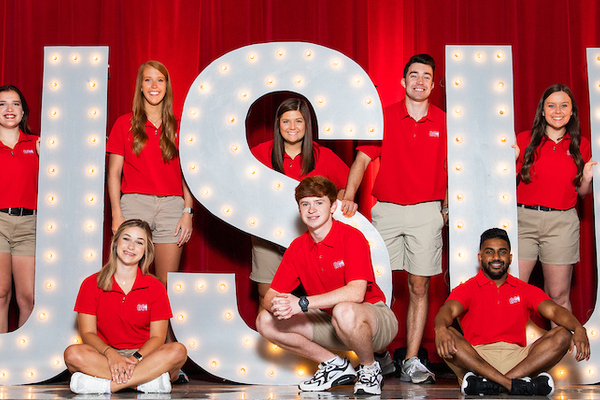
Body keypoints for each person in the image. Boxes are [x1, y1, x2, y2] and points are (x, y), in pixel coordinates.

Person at [340, 54, 447, 383]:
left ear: (433, 84)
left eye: (426, 76)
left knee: (419, 286)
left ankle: (411, 359)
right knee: (377, 287)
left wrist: (447, 207)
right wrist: (348, 196)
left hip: (426, 211)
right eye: (413, 75)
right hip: (386, 210)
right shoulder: (383, 117)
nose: (419, 81)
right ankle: (381, 355)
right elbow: (362, 159)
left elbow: (455, 166)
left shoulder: (445, 122)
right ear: (403, 81)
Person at [256, 176, 398, 395]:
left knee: (344, 310)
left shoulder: (352, 237)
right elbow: (269, 296)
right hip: (330, 321)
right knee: (265, 321)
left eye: (319, 202)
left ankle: (370, 369)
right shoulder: (297, 247)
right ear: (299, 209)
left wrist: (301, 303)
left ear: (333, 207)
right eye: (305, 204)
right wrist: (280, 305)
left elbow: (356, 293)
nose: (312, 209)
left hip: (373, 318)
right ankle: (334, 365)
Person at [107, 61, 193, 381]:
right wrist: (117, 213)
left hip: (172, 205)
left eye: (160, 80)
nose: (154, 86)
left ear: (167, 86)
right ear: (140, 86)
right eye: (148, 80)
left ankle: (165, 361)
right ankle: (129, 353)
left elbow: (189, 174)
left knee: (164, 285)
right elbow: (113, 173)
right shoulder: (124, 123)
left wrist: (188, 211)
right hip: (135, 203)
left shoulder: (180, 125)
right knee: (132, 282)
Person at [434, 228, 589, 396]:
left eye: (502, 252)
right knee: (445, 331)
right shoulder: (467, 288)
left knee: (564, 334)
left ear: (510, 257)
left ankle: (488, 384)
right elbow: (448, 310)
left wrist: (578, 328)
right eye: (489, 252)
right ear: (480, 257)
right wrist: (440, 328)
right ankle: (514, 384)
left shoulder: (524, 289)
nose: (496, 257)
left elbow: (555, 311)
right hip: (477, 358)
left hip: (519, 360)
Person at [64, 219, 187, 394]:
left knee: (178, 351)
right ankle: (144, 383)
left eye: (139, 242)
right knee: (72, 354)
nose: (131, 246)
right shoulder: (90, 283)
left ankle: (107, 386)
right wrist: (111, 354)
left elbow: (158, 337)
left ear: (146, 250)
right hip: (104, 355)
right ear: (116, 243)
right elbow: (88, 333)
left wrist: (136, 358)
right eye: (126, 239)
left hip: (144, 356)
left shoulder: (156, 287)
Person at [250, 98, 349, 311]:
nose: (292, 127)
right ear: (278, 124)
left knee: (315, 297)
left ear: (307, 124)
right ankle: (266, 333)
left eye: (298, 121)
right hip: (267, 236)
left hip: (309, 239)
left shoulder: (323, 155)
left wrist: (337, 207)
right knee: (267, 296)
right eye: (286, 121)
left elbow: (346, 185)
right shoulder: (260, 153)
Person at [514, 84, 595, 312]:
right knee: (515, 291)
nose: (557, 111)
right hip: (523, 220)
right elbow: (505, 181)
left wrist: (587, 178)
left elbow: (582, 192)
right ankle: (510, 337)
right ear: (542, 110)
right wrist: (508, 161)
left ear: (572, 111)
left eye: (564, 105)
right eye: (551, 105)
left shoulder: (581, 144)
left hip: (562, 223)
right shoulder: (524, 139)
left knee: (558, 295)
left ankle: (563, 338)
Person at [0, 85, 39, 333]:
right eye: (2, 104)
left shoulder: (37, 144)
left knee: (28, 298)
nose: (9, 109)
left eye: (15, 103)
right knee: (1, 294)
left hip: (29, 226)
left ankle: (26, 354)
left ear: (23, 111)